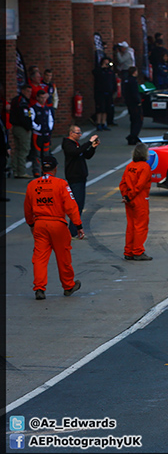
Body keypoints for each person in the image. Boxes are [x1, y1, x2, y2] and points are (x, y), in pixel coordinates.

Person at [24, 156, 84, 300]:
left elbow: (27, 208)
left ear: (42, 168)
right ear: (55, 168)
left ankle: (39, 287)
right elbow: (71, 206)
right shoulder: (61, 184)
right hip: (57, 224)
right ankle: (68, 285)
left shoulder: (32, 185)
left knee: (39, 257)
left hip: (39, 224)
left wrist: (31, 224)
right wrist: (78, 225)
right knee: (63, 256)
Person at [62, 125, 99, 237]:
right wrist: (89, 142)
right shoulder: (68, 144)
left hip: (80, 177)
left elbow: (86, 155)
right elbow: (76, 152)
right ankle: (73, 231)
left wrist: (92, 147)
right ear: (71, 133)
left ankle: (73, 230)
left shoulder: (77, 145)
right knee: (77, 205)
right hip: (75, 177)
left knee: (78, 204)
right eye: (78, 133)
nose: (80, 135)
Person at [119, 142, 152, 261]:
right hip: (140, 199)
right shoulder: (145, 167)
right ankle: (138, 251)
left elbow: (122, 183)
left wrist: (126, 195)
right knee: (141, 226)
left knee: (131, 226)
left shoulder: (130, 166)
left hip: (129, 199)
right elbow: (140, 185)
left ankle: (128, 251)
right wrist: (130, 196)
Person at [9, 84, 33, 178]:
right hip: (22, 128)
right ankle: (21, 171)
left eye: (30, 92)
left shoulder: (17, 100)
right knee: (24, 150)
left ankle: (15, 170)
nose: (29, 94)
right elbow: (23, 116)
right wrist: (28, 127)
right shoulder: (22, 101)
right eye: (27, 91)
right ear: (22, 91)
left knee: (18, 150)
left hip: (16, 127)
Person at [30, 90, 54, 178]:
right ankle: (36, 172)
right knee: (36, 153)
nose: (43, 99)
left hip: (46, 134)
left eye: (44, 97)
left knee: (46, 154)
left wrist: (49, 128)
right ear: (37, 98)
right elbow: (31, 121)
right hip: (37, 135)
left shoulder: (47, 109)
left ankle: (46, 171)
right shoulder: (32, 108)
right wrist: (38, 128)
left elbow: (51, 120)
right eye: (41, 97)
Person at [92, 57, 116, 131]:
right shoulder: (99, 71)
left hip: (108, 92)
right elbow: (94, 73)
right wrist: (102, 67)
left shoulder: (110, 72)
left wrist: (114, 90)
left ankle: (103, 123)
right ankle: (98, 123)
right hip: (100, 92)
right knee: (100, 108)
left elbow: (113, 81)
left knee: (106, 108)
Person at [122, 67, 143, 145]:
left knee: (133, 119)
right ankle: (133, 136)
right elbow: (135, 92)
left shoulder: (126, 80)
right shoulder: (133, 81)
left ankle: (133, 135)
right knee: (138, 120)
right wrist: (138, 101)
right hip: (134, 103)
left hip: (129, 103)